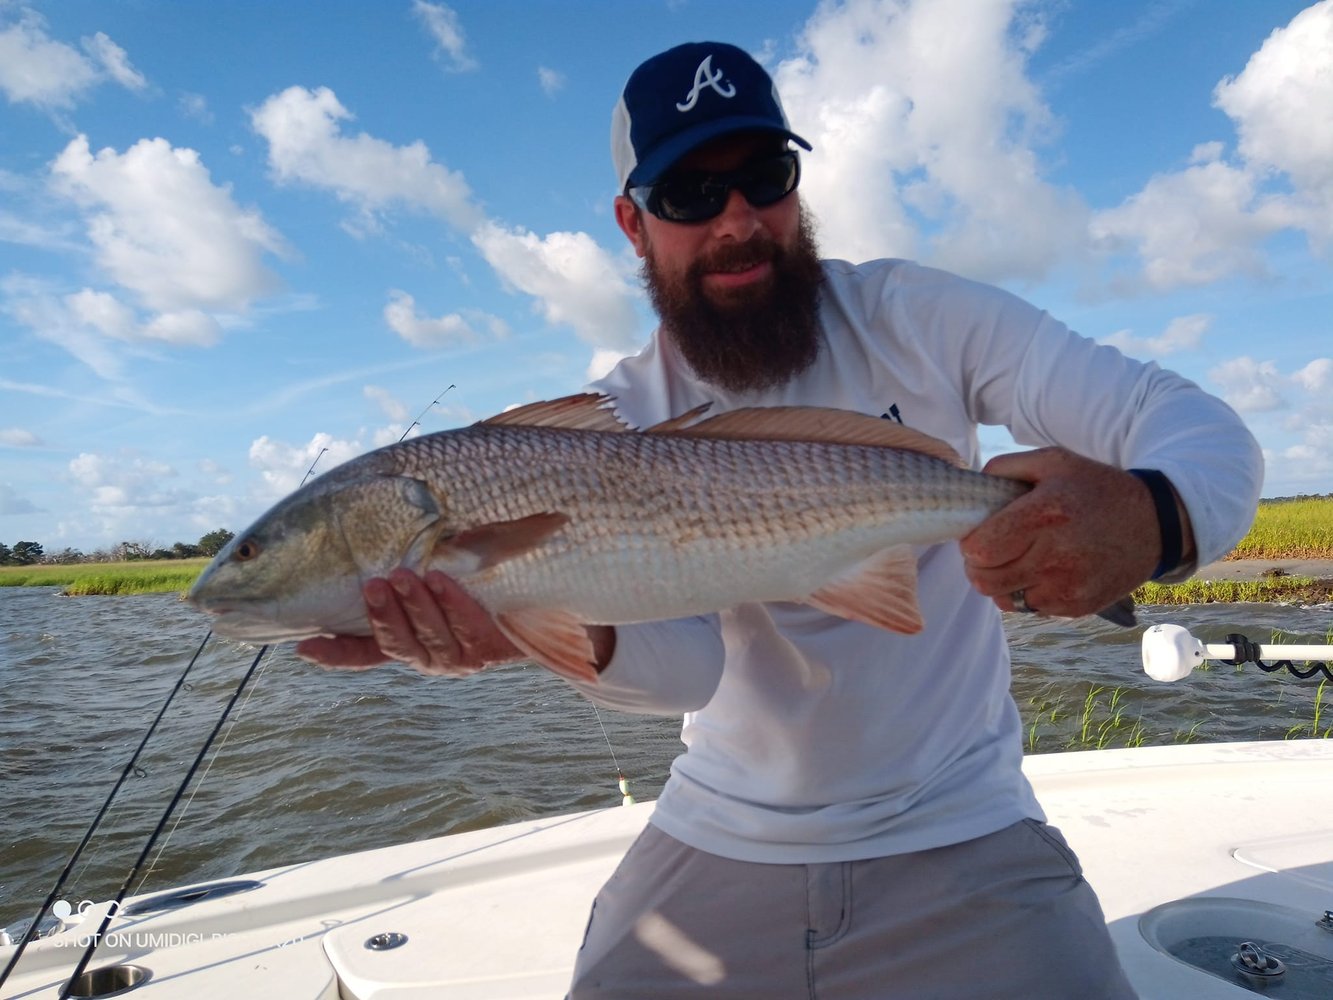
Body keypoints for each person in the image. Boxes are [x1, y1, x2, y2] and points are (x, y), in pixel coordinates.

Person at [299, 41, 1263, 998]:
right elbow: (691, 668)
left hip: (962, 820)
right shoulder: (613, 421)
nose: (736, 222)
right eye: (688, 195)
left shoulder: (920, 314)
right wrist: (527, 623)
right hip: (721, 828)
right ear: (633, 225)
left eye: (764, 178)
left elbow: (1197, 434)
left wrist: (1153, 517)